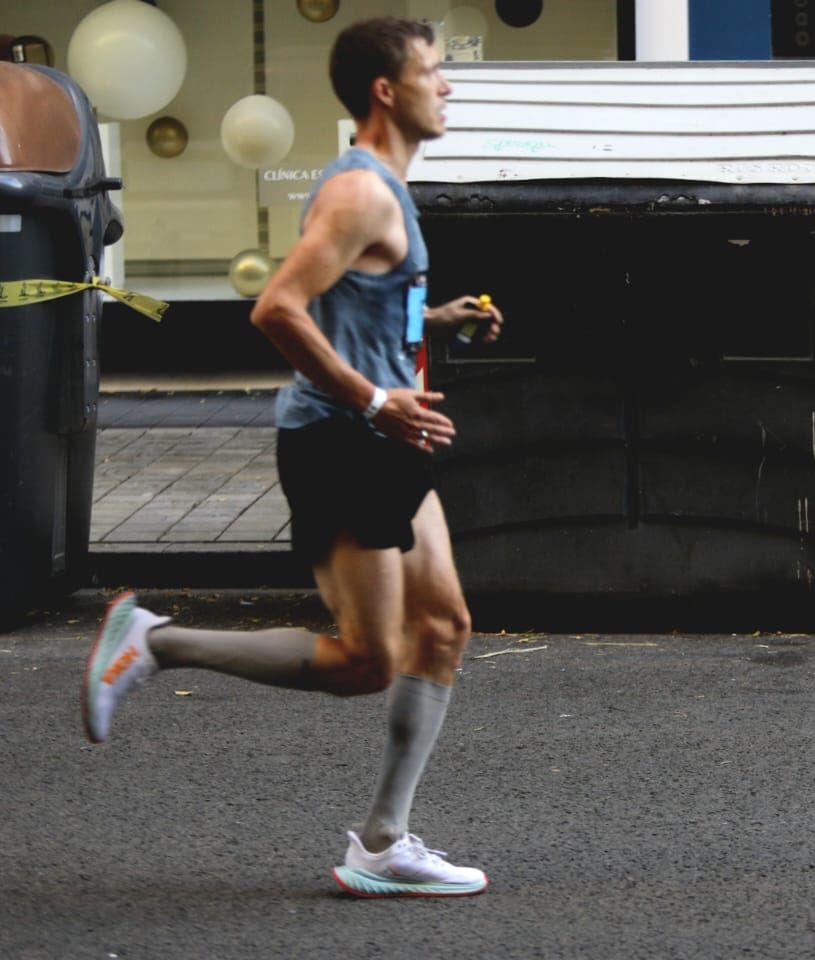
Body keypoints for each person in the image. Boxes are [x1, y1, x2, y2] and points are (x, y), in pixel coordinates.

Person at [80, 17, 504, 898]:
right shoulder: (362, 194)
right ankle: (157, 643)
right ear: (386, 91)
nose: (448, 84)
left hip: (385, 441)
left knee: (445, 627)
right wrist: (376, 398)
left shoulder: (385, 184)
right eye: (433, 70)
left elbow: (352, 304)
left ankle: (383, 844)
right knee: (365, 661)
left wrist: (434, 319)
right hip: (345, 442)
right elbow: (276, 308)